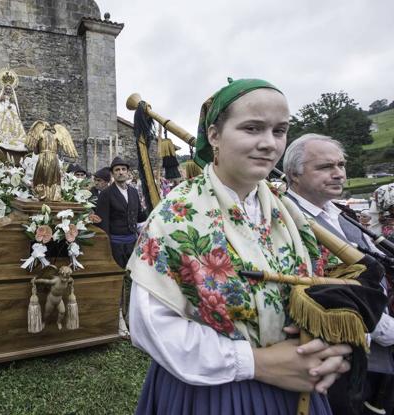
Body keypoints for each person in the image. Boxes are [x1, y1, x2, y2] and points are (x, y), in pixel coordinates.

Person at [128, 79, 352, 415]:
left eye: (279, 131)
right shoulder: (177, 215)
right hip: (214, 395)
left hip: (295, 391)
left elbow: (319, 289)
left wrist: (327, 345)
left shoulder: (288, 211)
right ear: (214, 135)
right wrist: (255, 363)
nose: (269, 143)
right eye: (252, 128)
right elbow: (151, 325)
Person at [283, 133, 394, 415]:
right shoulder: (286, 218)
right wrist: (385, 329)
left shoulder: (340, 212)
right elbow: (322, 288)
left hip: (376, 353)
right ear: (294, 175)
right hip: (337, 358)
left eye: (341, 165)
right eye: (325, 167)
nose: (339, 174)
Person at [96, 157, 147, 269]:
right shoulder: (106, 194)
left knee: (133, 274)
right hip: (115, 245)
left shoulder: (133, 192)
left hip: (132, 242)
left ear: (128, 172)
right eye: (117, 170)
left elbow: (139, 216)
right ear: (112, 174)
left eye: (123, 169)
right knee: (118, 276)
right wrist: (107, 246)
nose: (121, 172)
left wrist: (152, 209)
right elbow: (103, 223)